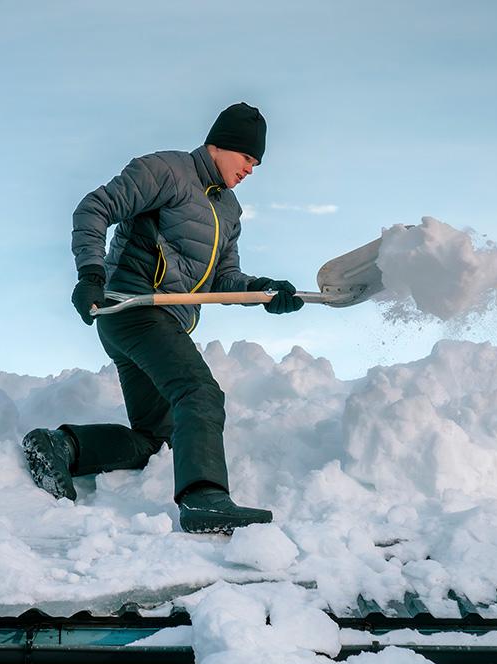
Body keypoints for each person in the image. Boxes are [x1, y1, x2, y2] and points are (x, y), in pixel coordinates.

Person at [21, 102, 303, 534]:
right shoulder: (167, 170)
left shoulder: (230, 212)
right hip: (133, 307)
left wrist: (264, 291)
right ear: (222, 144)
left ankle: (62, 447)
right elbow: (93, 208)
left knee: (158, 442)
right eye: (247, 157)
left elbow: (223, 280)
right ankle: (204, 499)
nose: (251, 169)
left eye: (257, 162)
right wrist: (90, 275)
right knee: (199, 392)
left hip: (161, 322)